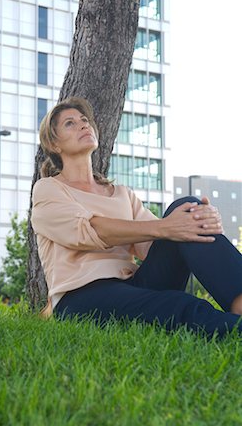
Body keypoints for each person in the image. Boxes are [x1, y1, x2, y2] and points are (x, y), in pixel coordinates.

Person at [31, 97, 242, 338]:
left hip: (133, 284)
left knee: (187, 208)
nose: (83, 125)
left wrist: (201, 224)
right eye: (70, 123)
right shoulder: (49, 189)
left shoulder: (122, 195)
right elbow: (89, 230)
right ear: (54, 144)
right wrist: (167, 227)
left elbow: (156, 242)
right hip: (81, 297)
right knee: (180, 306)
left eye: (85, 120)